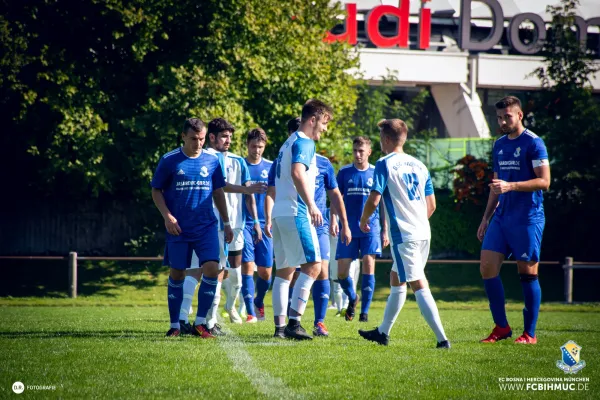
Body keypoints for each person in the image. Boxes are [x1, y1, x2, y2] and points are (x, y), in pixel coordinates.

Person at [357, 118, 450, 348]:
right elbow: (432, 205)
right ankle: (382, 332)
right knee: (396, 278)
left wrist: (363, 219)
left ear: (387, 139)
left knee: (418, 282)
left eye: (380, 138)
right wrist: (415, 220)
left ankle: (442, 339)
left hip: (405, 235)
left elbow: (374, 198)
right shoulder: (420, 165)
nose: (380, 142)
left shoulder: (384, 163)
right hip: (423, 232)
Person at [268, 100, 344, 340]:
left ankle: (280, 328)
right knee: (314, 266)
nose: (324, 129)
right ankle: (294, 322)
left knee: (284, 271)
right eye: (324, 123)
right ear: (312, 120)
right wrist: (311, 204)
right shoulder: (304, 141)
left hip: (279, 212)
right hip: (295, 211)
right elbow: (297, 172)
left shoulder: (286, 143)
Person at [151, 118, 233, 338]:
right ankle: (175, 325)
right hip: (178, 228)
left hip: (206, 226)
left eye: (202, 139)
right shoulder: (169, 160)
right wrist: (168, 217)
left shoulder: (212, 160)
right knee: (177, 273)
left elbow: (218, 192)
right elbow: (156, 190)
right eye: (194, 139)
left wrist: (226, 223)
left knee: (212, 269)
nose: (199, 143)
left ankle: (200, 324)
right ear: (183, 137)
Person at [477, 96, 550, 345]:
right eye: (499, 117)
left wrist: (512, 185)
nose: (502, 121)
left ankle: (529, 333)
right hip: (501, 217)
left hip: (528, 218)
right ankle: (501, 327)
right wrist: (486, 218)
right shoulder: (498, 145)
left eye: (507, 116)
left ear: (519, 115)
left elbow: (544, 181)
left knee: (527, 273)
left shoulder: (534, 143)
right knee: (487, 266)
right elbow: (497, 187)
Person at [335, 136, 389, 322]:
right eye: (355, 151)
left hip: (370, 228)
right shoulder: (344, 173)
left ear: (369, 152)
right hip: (348, 228)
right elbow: (336, 198)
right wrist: (335, 220)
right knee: (341, 273)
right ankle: (353, 298)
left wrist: (385, 230)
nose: (357, 154)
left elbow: (382, 203)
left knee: (368, 263)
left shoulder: (376, 172)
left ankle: (364, 313)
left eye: (361, 151)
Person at [240, 128, 273, 323]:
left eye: (260, 146)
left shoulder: (270, 167)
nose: (257, 150)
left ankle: (258, 300)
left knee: (265, 272)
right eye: (253, 146)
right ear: (247, 145)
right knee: (247, 265)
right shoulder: (240, 165)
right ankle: (250, 311)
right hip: (244, 223)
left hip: (266, 224)